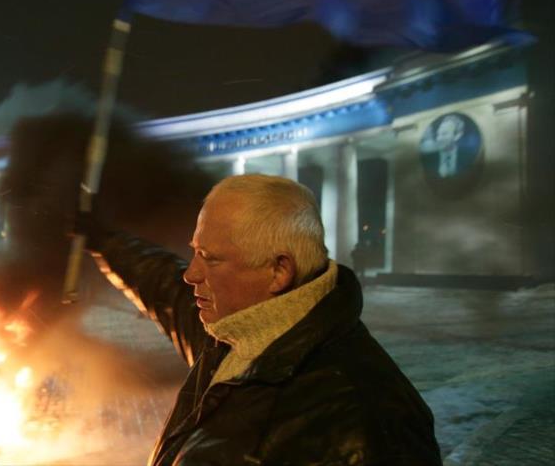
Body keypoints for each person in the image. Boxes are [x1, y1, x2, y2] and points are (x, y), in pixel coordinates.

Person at [81, 174, 440, 465]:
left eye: (210, 258)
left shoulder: (369, 423)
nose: (191, 274)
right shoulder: (232, 331)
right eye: (194, 252)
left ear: (278, 271)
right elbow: (162, 282)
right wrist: (100, 236)